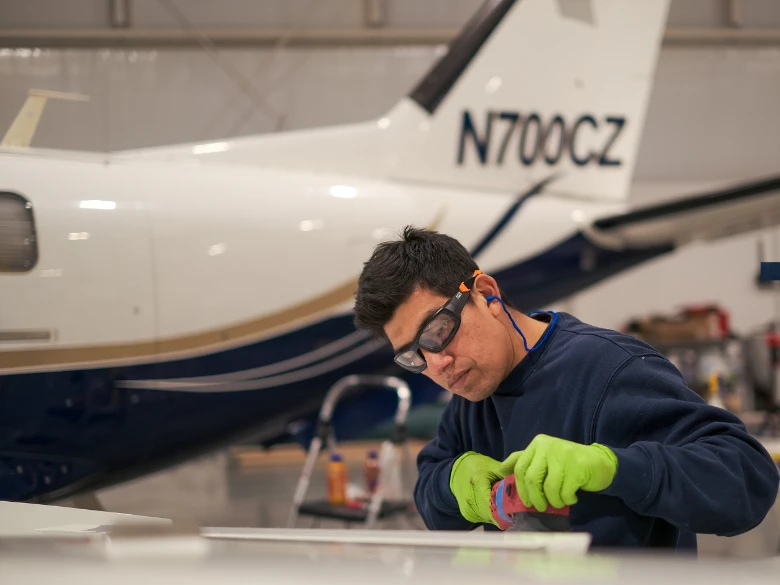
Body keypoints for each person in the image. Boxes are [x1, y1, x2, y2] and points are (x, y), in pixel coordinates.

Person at [352, 226, 780, 550]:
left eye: (439, 331)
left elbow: (748, 479)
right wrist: (453, 485)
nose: (437, 364)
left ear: (485, 293)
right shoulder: (471, 393)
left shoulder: (611, 369)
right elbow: (430, 488)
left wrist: (612, 467)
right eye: (414, 357)